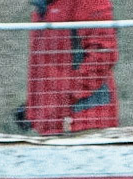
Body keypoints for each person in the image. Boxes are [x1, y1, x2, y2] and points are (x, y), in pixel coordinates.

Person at [17, 0, 120, 134]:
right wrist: (33, 109)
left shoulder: (88, 2)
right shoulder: (44, 7)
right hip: (55, 123)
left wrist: (65, 96)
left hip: (86, 123)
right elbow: (48, 68)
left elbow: (103, 56)